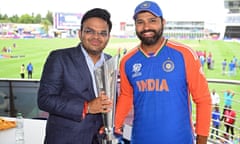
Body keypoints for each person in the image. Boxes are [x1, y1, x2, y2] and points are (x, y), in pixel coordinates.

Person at [114, 1, 212, 144]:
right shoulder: (127, 61)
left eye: (152, 21)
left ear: (163, 22)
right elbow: (126, 96)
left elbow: (203, 100)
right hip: (140, 139)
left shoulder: (184, 54)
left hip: (180, 139)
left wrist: (202, 140)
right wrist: (114, 125)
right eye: (140, 22)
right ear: (135, 25)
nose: (146, 27)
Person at [38, 8, 113, 144]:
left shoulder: (110, 61)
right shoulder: (59, 58)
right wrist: (87, 107)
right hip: (67, 139)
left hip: (100, 138)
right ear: (80, 33)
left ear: (108, 37)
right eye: (90, 31)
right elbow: (44, 99)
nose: (96, 37)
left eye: (102, 33)